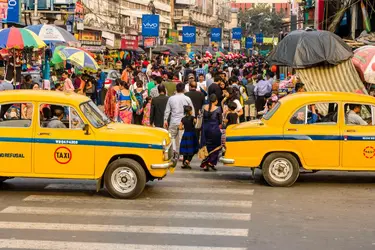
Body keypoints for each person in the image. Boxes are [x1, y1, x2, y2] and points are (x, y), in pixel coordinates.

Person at [164, 82, 195, 158]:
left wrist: (165, 120)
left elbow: (167, 110)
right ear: (184, 89)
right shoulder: (187, 98)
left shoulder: (171, 98)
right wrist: (193, 119)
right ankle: (182, 154)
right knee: (182, 137)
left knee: (172, 137)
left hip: (174, 120)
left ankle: (174, 152)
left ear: (176, 89)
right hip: (184, 121)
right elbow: (192, 109)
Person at [200, 94, 222, 171]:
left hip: (205, 129)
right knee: (216, 146)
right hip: (214, 129)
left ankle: (206, 163)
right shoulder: (218, 109)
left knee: (207, 146)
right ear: (215, 101)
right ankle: (211, 162)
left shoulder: (204, 108)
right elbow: (220, 121)